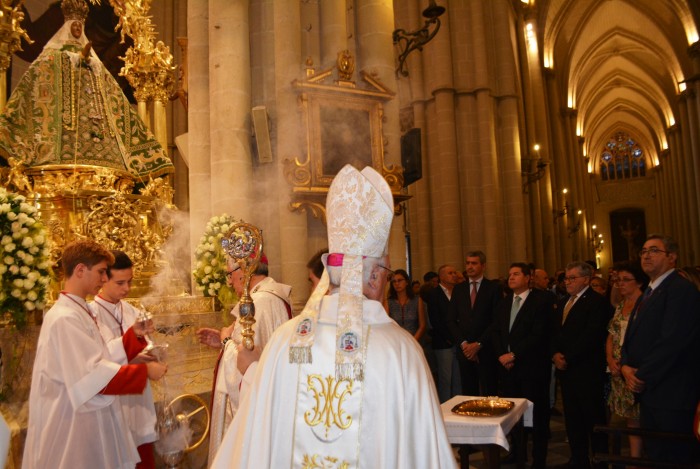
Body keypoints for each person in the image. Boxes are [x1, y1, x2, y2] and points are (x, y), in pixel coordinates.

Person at [211, 165, 456, 468]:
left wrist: (250, 370)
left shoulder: (284, 340)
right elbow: (426, 453)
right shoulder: (401, 351)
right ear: (375, 277)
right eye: (387, 273)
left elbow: (256, 433)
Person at [22, 240, 167, 469]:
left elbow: (100, 358)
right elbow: (93, 376)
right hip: (71, 424)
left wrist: (134, 340)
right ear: (80, 270)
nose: (103, 279)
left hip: (87, 418)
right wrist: (144, 371)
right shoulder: (65, 318)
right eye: (100, 272)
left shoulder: (77, 311)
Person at [0, 0, 173, 182]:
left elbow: (114, 97)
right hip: (57, 139)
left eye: (79, 27)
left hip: (95, 134)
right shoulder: (50, 59)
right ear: (66, 27)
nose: (77, 30)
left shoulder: (96, 65)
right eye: (74, 26)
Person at [196, 253, 292, 463]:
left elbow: (244, 365)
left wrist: (224, 342)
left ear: (243, 272)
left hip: (253, 407)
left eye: (230, 275)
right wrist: (222, 343)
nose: (229, 282)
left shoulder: (254, 303)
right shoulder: (275, 297)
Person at [621, 235, 700, 463]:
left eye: (654, 250)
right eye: (644, 251)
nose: (646, 255)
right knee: (656, 454)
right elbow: (631, 335)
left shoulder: (680, 289)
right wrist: (625, 365)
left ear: (672, 257)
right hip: (650, 391)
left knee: (673, 456)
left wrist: (641, 375)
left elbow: (672, 341)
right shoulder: (649, 291)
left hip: (671, 391)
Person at [90, 250, 158, 469]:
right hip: (113, 406)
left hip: (139, 404)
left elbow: (148, 347)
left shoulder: (132, 311)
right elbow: (98, 361)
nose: (127, 289)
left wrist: (152, 352)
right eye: (120, 283)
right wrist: (133, 350)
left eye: (129, 281)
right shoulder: (91, 315)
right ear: (103, 279)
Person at [491, 263, 554, 468]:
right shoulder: (504, 302)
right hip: (508, 369)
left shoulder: (542, 300)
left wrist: (513, 354)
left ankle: (538, 459)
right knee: (514, 416)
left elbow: (539, 334)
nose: (511, 278)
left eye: (516, 274)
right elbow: (497, 332)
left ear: (529, 278)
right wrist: (502, 354)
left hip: (532, 368)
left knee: (536, 416)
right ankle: (517, 453)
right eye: (509, 274)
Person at [550, 261, 611, 469]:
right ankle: (578, 458)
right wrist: (555, 354)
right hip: (566, 371)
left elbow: (592, 335)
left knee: (593, 418)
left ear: (586, 279)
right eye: (566, 278)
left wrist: (567, 357)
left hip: (586, 370)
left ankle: (600, 459)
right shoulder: (565, 301)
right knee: (573, 417)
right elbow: (556, 332)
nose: (567, 282)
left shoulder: (596, 302)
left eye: (572, 278)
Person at [605, 261, 648, 460]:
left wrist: (625, 364)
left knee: (640, 417)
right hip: (618, 368)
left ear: (639, 282)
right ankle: (634, 457)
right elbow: (611, 335)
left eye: (625, 280)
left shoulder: (646, 303)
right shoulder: (621, 305)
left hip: (634, 367)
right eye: (618, 280)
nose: (620, 284)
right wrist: (610, 360)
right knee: (630, 419)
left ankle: (643, 457)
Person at [448, 251, 501, 396]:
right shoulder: (459, 289)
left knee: (490, 390)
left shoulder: (493, 288)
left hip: (486, 348)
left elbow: (496, 320)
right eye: (467, 263)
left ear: (483, 266)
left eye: (474, 263)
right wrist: (464, 344)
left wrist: (478, 344)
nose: (469, 266)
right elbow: (451, 320)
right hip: (464, 351)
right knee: (468, 392)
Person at [426, 264, 462, 402]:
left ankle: (458, 405)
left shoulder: (459, 292)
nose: (454, 275)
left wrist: (460, 339)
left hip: (460, 342)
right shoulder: (434, 294)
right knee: (445, 379)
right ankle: (444, 410)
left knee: (458, 378)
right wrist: (451, 338)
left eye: (454, 272)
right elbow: (436, 320)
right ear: (441, 277)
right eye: (450, 273)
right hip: (443, 342)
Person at [385, 268, 427, 341]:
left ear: (407, 282)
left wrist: (413, 341)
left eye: (400, 280)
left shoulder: (417, 300)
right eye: (394, 281)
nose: (397, 284)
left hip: (414, 339)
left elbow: (422, 325)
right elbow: (386, 325)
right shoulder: (388, 302)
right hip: (395, 340)